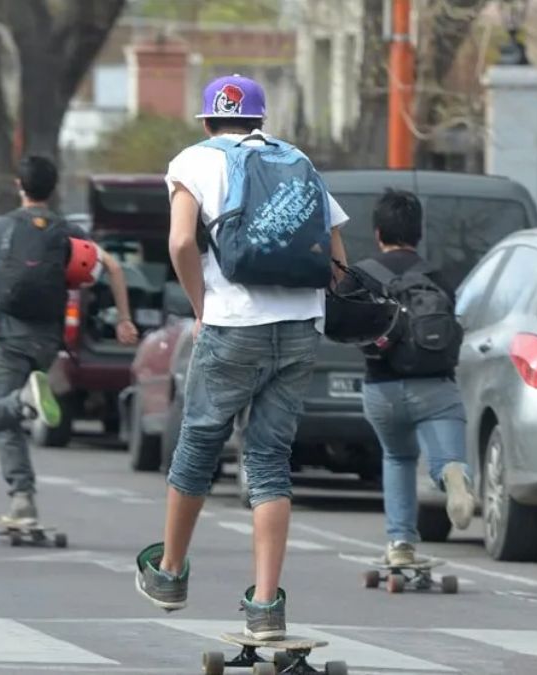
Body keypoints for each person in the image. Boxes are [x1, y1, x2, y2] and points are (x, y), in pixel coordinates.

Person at [134, 74, 349, 641]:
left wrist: (200, 306)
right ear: (260, 120)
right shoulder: (297, 160)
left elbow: (182, 242)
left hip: (233, 322)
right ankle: (266, 605)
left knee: (199, 442)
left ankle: (170, 573)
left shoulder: (193, 161)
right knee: (271, 459)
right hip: (300, 325)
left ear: (207, 121)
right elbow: (337, 256)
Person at [0, 155, 138, 527]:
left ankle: (22, 485)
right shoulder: (67, 231)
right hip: (47, 340)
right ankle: (23, 499)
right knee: (10, 420)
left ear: (19, 185)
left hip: (8, 336)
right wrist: (125, 319)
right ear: (53, 188)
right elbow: (112, 267)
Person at [338, 189, 475, 565]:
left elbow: (337, 322)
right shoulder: (437, 276)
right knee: (447, 458)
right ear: (419, 233)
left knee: (398, 457)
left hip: (381, 389)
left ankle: (400, 544)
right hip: (436, 388)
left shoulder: (362, 275)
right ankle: (452, 474)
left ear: (378, 232)